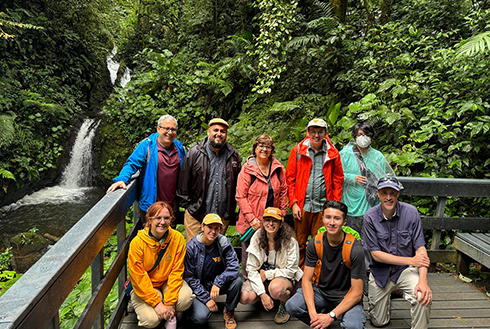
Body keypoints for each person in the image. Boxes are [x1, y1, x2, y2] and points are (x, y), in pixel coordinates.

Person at [362, 176, 432, 328]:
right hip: (380, 272)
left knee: (422, 295)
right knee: (378, 322)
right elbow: (376, 255)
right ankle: (389, 295)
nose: (388, 197)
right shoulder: (370, 217)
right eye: (384, 193)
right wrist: (411, 260)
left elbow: (421, 249)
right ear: (378, 194)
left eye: (392, 193)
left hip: (404, 271)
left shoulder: (411, 213)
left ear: (398, 194)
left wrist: (423, 281)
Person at [285, 200, 367, 329]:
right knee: (292, 305)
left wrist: (331, 315)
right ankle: (321, 324)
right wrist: (313, 314)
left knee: (353, 326)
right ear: (322, 219)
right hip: (321, 293)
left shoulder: (354, 249)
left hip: (347, 295)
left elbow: (357, 293)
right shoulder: (315, 243)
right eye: (328, 217)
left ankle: (329, 318)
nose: (332, 222)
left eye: (337, 218)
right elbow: (306, 281)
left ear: (344, 222)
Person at [286, 118, 344, 269]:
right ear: (308, 132)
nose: (316, 135)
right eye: (313, 131)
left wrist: (334, 204)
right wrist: (293, 203)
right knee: (299, 243)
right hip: (302, 206)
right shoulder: (298, 150)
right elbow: (290, 179)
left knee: (320, 243)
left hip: (323, 207)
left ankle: (317, 278)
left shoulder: (332, 154)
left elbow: (338, 179)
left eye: (320, 131)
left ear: (326, 133)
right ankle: (299, 276)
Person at [107, 114, 185, 224]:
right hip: (151, 206)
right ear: (158, 129)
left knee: (170, 239)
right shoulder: (147, 146)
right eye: (166, 128)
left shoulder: (178, 147)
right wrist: (122, 179)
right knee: (149, 239)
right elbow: (131, 164)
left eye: (173, 129)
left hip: (171, 206)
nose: (170, 132)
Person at [127, 201, 194, 328]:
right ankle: (160, 310)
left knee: (186, 298)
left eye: (166, 218)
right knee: (151, 320)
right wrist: (156, 303)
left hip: (166, 282)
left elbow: (177, 271)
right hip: (146, 286)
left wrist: (170, 302)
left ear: (171, 220)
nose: (162, 222)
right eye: (158, 218)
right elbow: (139, 277)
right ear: (149, 220)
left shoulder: (177, 238)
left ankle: (168, 313)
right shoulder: (137, 243)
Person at [177, 118, 241, 241]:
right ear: (208, 132)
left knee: (215, 255)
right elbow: (183, 182)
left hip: (221, 216)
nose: (219, 134)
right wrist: (189, 207)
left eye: (223, 131)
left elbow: (238, 184)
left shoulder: (233, 155)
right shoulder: (195, 153)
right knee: (194, 253)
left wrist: (231, 209)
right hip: (196, 215)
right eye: (215, 130)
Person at [235, 134, 288, 280]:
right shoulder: (247, 169)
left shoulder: (277, 168)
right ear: (255, 148)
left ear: (272, 149)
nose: (264, 149)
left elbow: (283, 190)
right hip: (251, 220)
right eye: (261, 146)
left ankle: (266, 281)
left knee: (269, 249)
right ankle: (248, 281)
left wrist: (282, 213)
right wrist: (252, 219)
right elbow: (240, 196)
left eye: (268, 146)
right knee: (250, 250)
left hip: (272, 219)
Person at [240, 207, 303, 325]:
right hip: (263, 278)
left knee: (276, 289)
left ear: (280, 223)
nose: (270, 223)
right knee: (244, 296)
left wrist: (267, 274)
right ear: (263, 222)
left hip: (284, 279)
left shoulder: (290, 241)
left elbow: (291, 270)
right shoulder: (257, 238)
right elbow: (251, 269)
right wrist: (262, 294)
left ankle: (284, 304)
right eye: (267, 220)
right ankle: (265, 296)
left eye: (274, 220)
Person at [184, 213, 242, 329]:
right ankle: (190, 310)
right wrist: (207, 299)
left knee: (238, 281)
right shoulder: (192, 247)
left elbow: (234, 267)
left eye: (217, 228)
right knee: (200, 317)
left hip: (217, 285)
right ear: (202, 227)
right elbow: (189, 277)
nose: (213, 232)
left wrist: (218, 282)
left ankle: (229, 311)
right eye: (210, 227)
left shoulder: (223, 242)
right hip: (199, 287)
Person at [340, 122, 393, 235]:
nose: (363, 138)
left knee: (369, 239)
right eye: (360, 134)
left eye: (367, 135)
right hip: (350, 203)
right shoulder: (345, 154)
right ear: (354, 137)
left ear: (372, 138)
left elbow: (383, 180)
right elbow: (335, 174)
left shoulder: (378, 156)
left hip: (371, 204)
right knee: (350, 238)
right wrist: (351, 177)